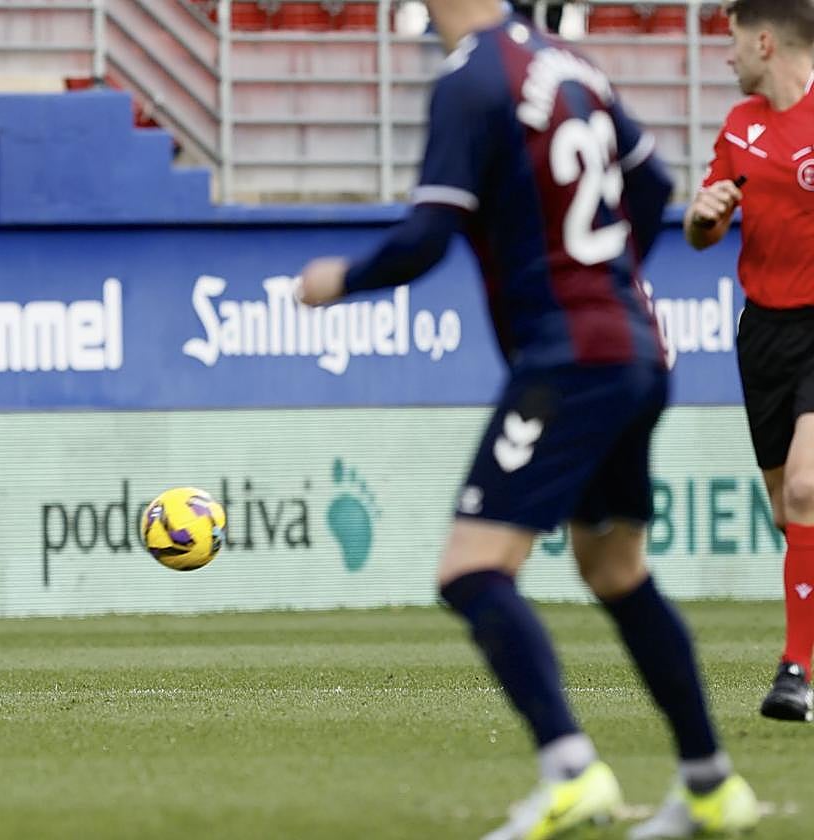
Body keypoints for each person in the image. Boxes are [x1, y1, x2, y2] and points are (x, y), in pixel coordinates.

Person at [297, 2, 759, 838]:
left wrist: (340, 279)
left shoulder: (472, 80)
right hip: (636, 349)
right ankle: (711, 785)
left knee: (470, 570)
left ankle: (570, 770)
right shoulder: (571, 65)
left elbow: (426, 237)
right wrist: (602, 281)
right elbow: (653, 184)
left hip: (570, 361)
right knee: (615, 569)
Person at [684, 0, 814, 724]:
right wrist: (702, 217)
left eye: (733, 42)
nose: (727, 56)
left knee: (805, 488)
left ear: (765, 41)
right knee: (786, 507)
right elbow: (703, 228)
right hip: (763, 332)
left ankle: (794, 673)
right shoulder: (740, 127)